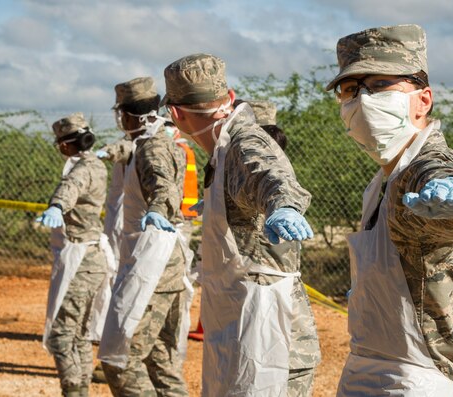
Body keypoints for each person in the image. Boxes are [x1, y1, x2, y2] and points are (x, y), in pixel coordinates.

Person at [326, 25, 453, 396]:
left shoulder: (427, 166)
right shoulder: (384, 179)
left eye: (379, 85)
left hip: (421, 373)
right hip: (366, 360)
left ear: (423, 100)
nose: (362, 100)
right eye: (350, 89)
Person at [163, 53, 321, 396]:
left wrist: (285, 206)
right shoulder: (222, 152)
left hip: (271, 328)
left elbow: (273, 176)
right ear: (230, 97)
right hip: (242, 320)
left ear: (175, 115)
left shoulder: (244, 141)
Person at [96, 76, 191, 397]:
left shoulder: (152, 147)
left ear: (128, 116)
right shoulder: (158, 141)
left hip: (154, 263)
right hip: (168, 260)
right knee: (160, 359)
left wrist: (159, 209)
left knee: (120, 359)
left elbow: (161, 185)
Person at [36, 112, 113, 397]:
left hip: (81, 260)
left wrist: (57, 205)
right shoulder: (96, 164)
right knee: (79, 332)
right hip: (93, 257)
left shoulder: (81, 168)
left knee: (61, 334)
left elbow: (71, 187)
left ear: (67, 145)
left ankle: (74, 392)